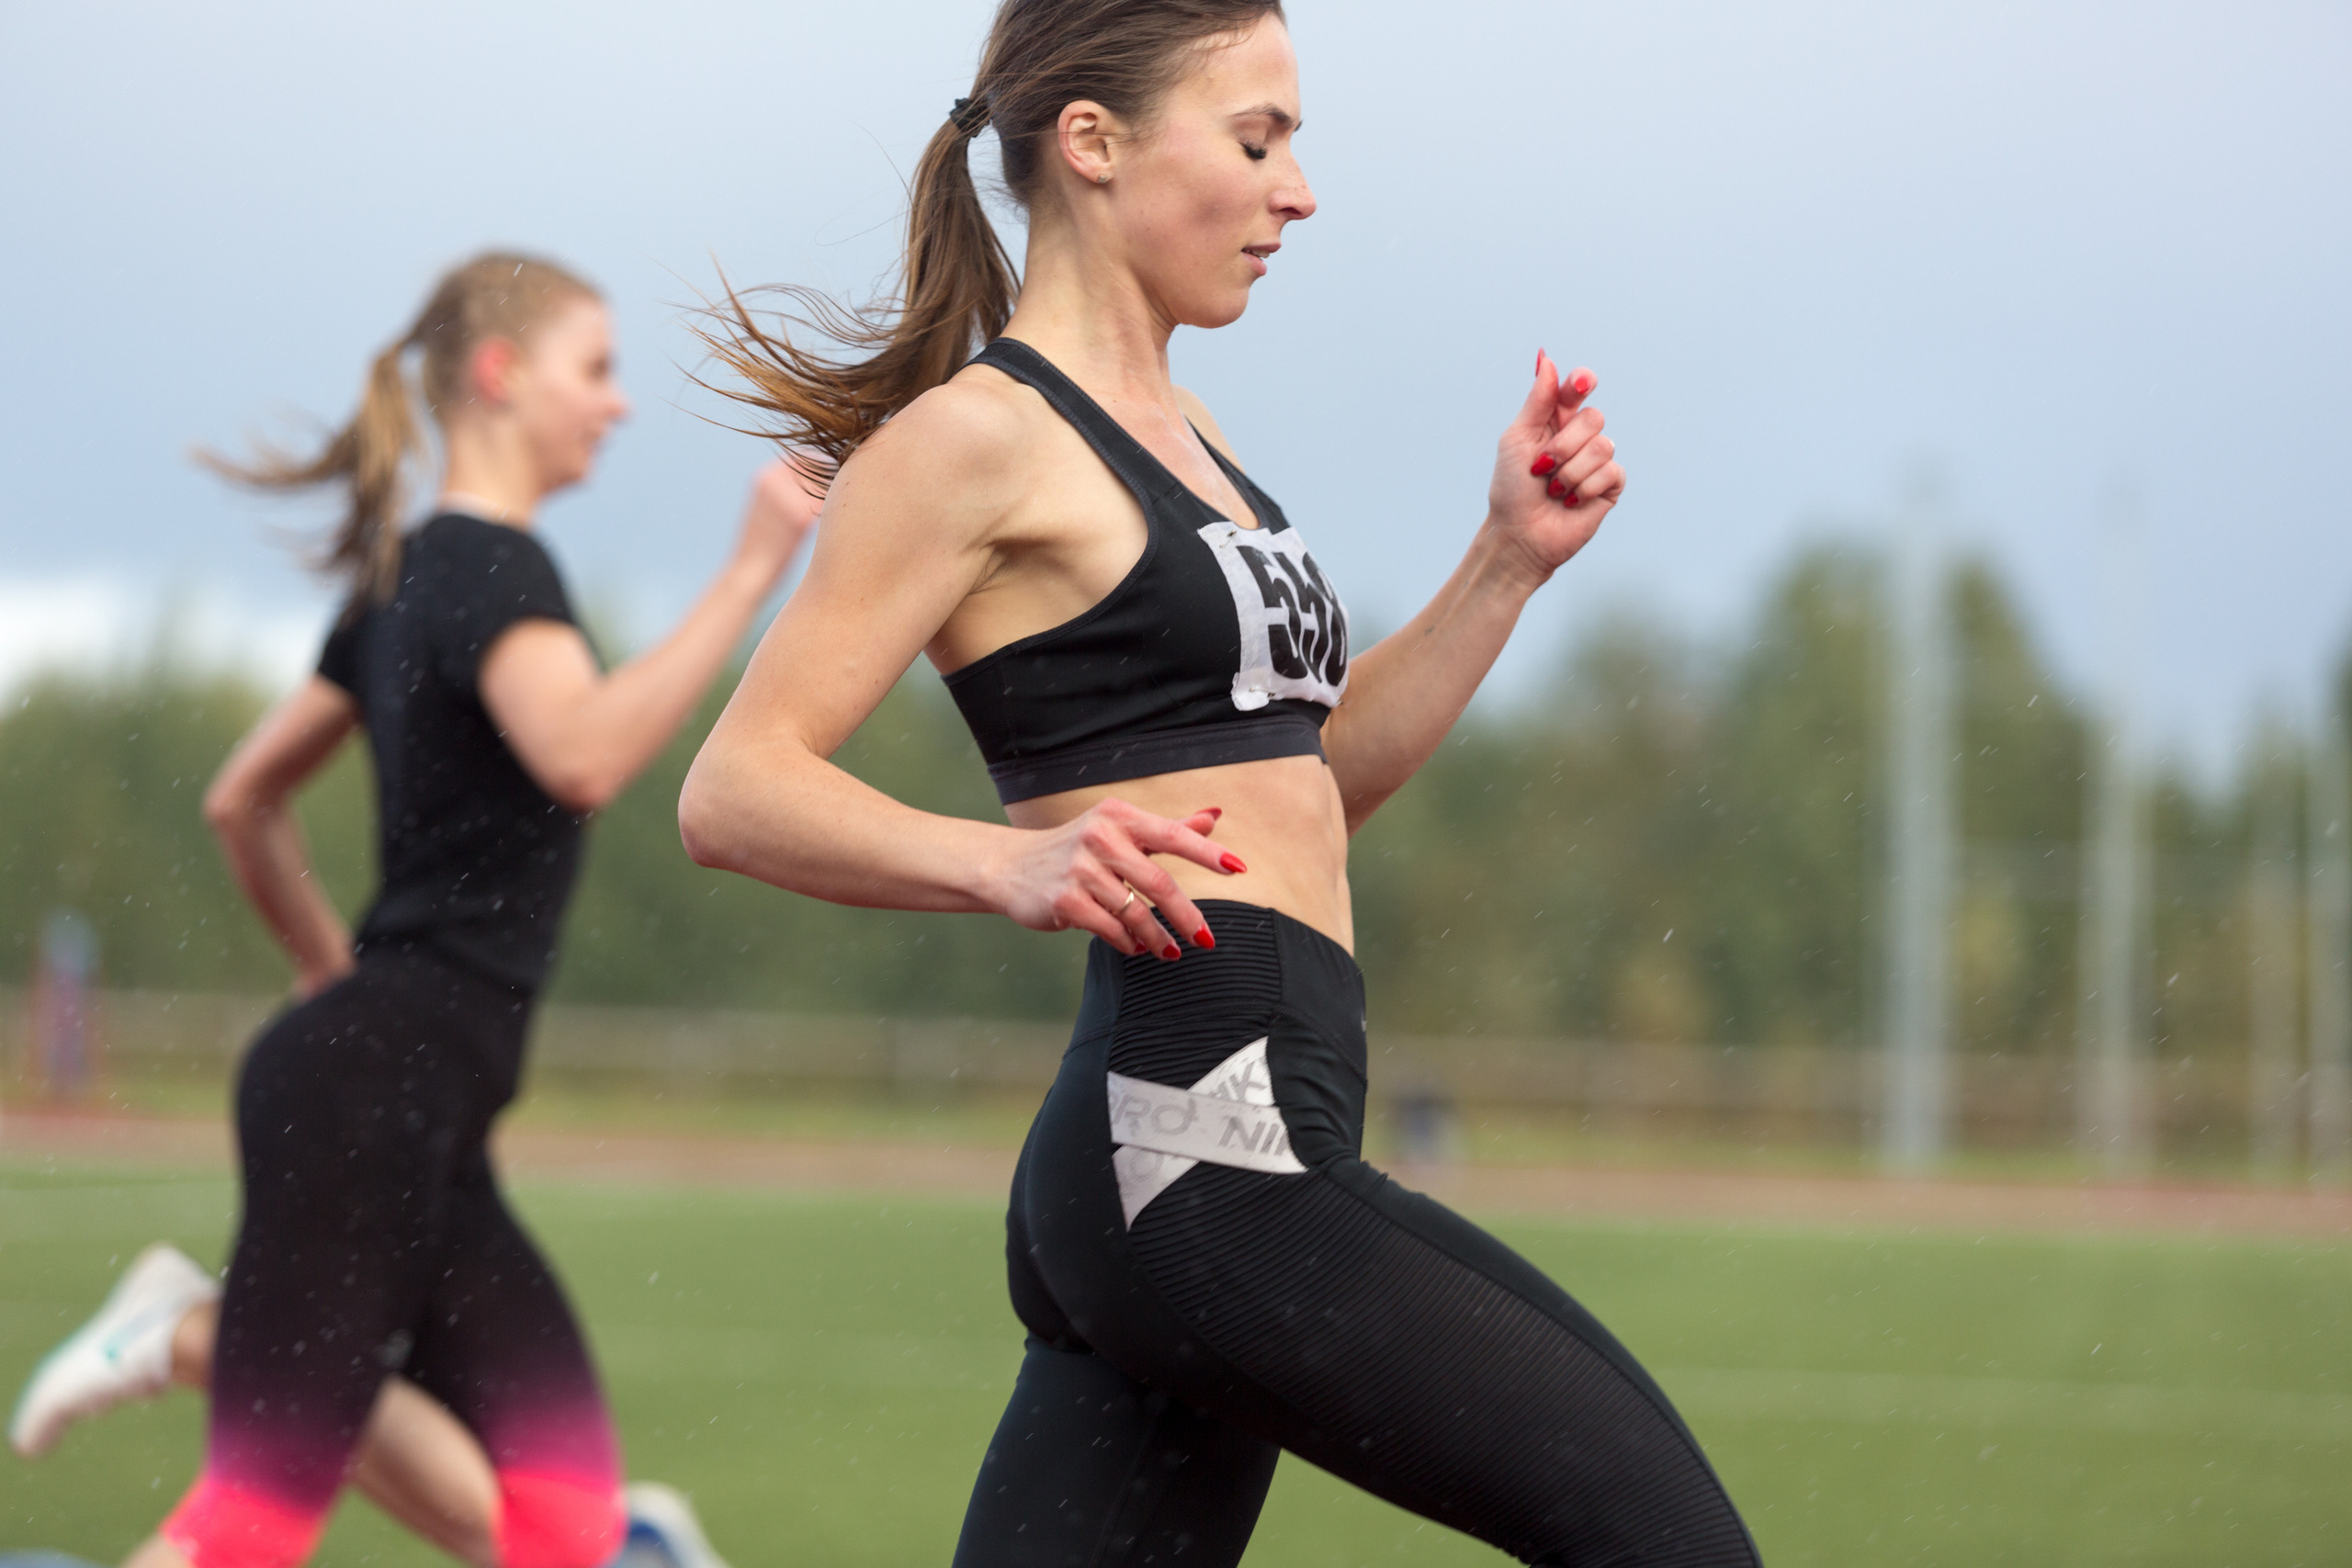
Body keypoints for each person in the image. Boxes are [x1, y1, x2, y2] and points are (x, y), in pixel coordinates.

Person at [677, 3, 1760, 1564]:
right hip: (1200, 1142)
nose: (1297, 192)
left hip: (1206, 1134)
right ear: (1093, 143)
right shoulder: (974, 440)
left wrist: (1505, 562)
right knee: (1671, 1540)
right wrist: (1011, 864)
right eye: (1257, 140)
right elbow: (735, 788)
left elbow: (1304, 793)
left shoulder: (1192, 435)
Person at [8, 251, 812, 1568]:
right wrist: (747, 573)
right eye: (596, 369)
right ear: (499, 374)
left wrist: (332, 979)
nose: (617, 404)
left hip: (408, 1096)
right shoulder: (494, 566)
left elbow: (239, 802)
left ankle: (197, 1332)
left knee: (568, 1522)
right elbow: (583, 756)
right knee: (250, 1526)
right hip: (376, 1093)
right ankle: (193, 1334)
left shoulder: (403, 577)